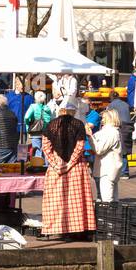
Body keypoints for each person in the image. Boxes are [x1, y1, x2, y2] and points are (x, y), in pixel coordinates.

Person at [40, 100, 95, 239]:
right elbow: (80, 146)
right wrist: (70, 163)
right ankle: (78, 229)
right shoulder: (78, 124)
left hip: (56, 166)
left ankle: (56, 228)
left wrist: (56, 164)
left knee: (56, 200)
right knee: (77, 200)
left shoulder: (50, 125)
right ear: (74, 111)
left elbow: (46, 147)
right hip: (76, 167)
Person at [93, 108, 123, 203]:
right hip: (110, 168)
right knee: (113, 198)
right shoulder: (112, 131)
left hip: (107, 169)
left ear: (110, 118)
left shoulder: (111, 132)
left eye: (104, 118)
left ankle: (108, 216)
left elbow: (99, 149)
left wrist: (90, 137)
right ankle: (113, 215)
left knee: (107, 199)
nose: (102, 120)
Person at [106, 92, 132, 178]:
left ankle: (123, 172)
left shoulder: (111, 106)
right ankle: (124, 172)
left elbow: (108, 118)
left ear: (111, 98)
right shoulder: (125, 104)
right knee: (124, 150)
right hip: (128, 128)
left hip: (119, 128)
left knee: (118, 150)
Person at [24, 90, 53, 159]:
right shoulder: (47, 108)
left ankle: (39, 167)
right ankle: (46, 166)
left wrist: (28, 124)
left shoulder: (33, 106)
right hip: (46, 132)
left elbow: (26, 117)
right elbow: (50, 119)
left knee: (37, 151)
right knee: (46, 151)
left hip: (35, 132)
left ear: (36, 98)